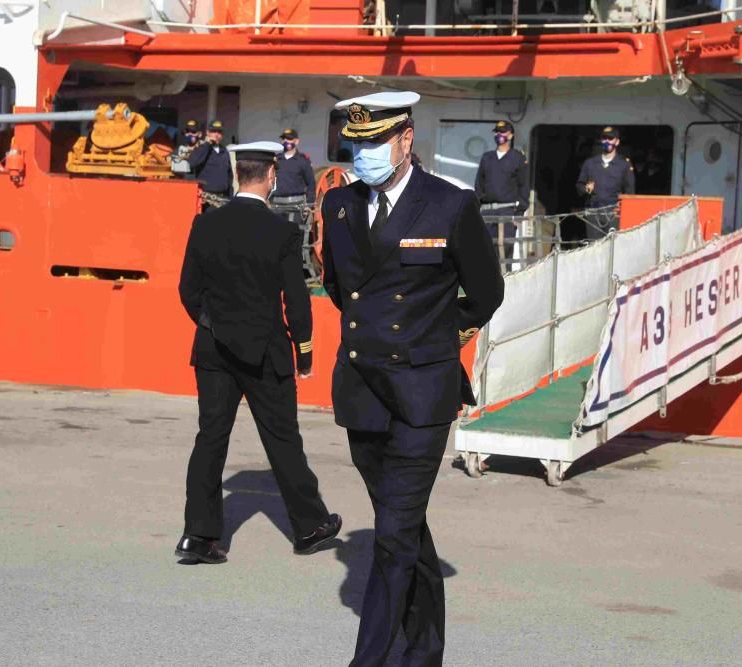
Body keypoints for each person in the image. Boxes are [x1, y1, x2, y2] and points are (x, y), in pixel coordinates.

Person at [321, 92, 504, 666]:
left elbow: (486, 291)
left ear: (406, 139)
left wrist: (433, 339)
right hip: (362, 390)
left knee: (393, 535)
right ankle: (424, 650)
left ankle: (368, 659)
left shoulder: (449, 205)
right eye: (357, 144)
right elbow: (336, 286)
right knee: (403, 528)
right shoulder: (340, 205)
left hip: (422, 393)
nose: (365, 153)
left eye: (376, 142)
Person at [176, 140, 342, 565]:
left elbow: (188, 291)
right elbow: (296, 300)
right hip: (266, 351)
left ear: (236, 176)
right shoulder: (282, 231)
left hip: (213, 350)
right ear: (271, 177)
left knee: (210, 439)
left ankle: (198, 536)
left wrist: (214, 325)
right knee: (283, 440)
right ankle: (308, 527)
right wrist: (303, 352)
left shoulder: (205, 224)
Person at [474, 120, 529, 266]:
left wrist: (518, 214)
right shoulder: (487, 157)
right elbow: (479, 185)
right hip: (487, 211)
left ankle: (505, 284)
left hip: (507, 211)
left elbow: (524, 187)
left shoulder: (518, 158)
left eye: (503, 132)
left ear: (510, 136)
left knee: (504, 251)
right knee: (484, 251)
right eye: (497, 132)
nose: (499, 134)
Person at [576, 126, 635, 239]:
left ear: (617, 142)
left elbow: (630, 192)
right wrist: (586, 189)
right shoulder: (590, 163)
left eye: (610, 138)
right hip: (593, 213)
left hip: (613, 214)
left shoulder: (624, 165)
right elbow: (579, 185)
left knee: (613, 247)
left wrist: (623, 210)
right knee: (594, 247)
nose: (607, 141)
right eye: (604, 138)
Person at [188, 119, 234, 207]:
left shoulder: (224, 151)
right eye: (213, 131)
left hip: (223, 198)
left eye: (219, 132)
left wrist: (230, 197)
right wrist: (207, 144)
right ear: (207, 133)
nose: (216, 134)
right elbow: (193, 162)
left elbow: (229, 176)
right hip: (206, 199)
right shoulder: (201, 148)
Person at [271, 128, 316, 205]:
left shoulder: (303, 161)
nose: (286, 141)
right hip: (276, 203)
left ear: (297, 141)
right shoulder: (276, 160)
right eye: (283, 138)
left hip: (296, 203)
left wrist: (309, 204)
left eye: (289, 138)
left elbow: (311, 183)